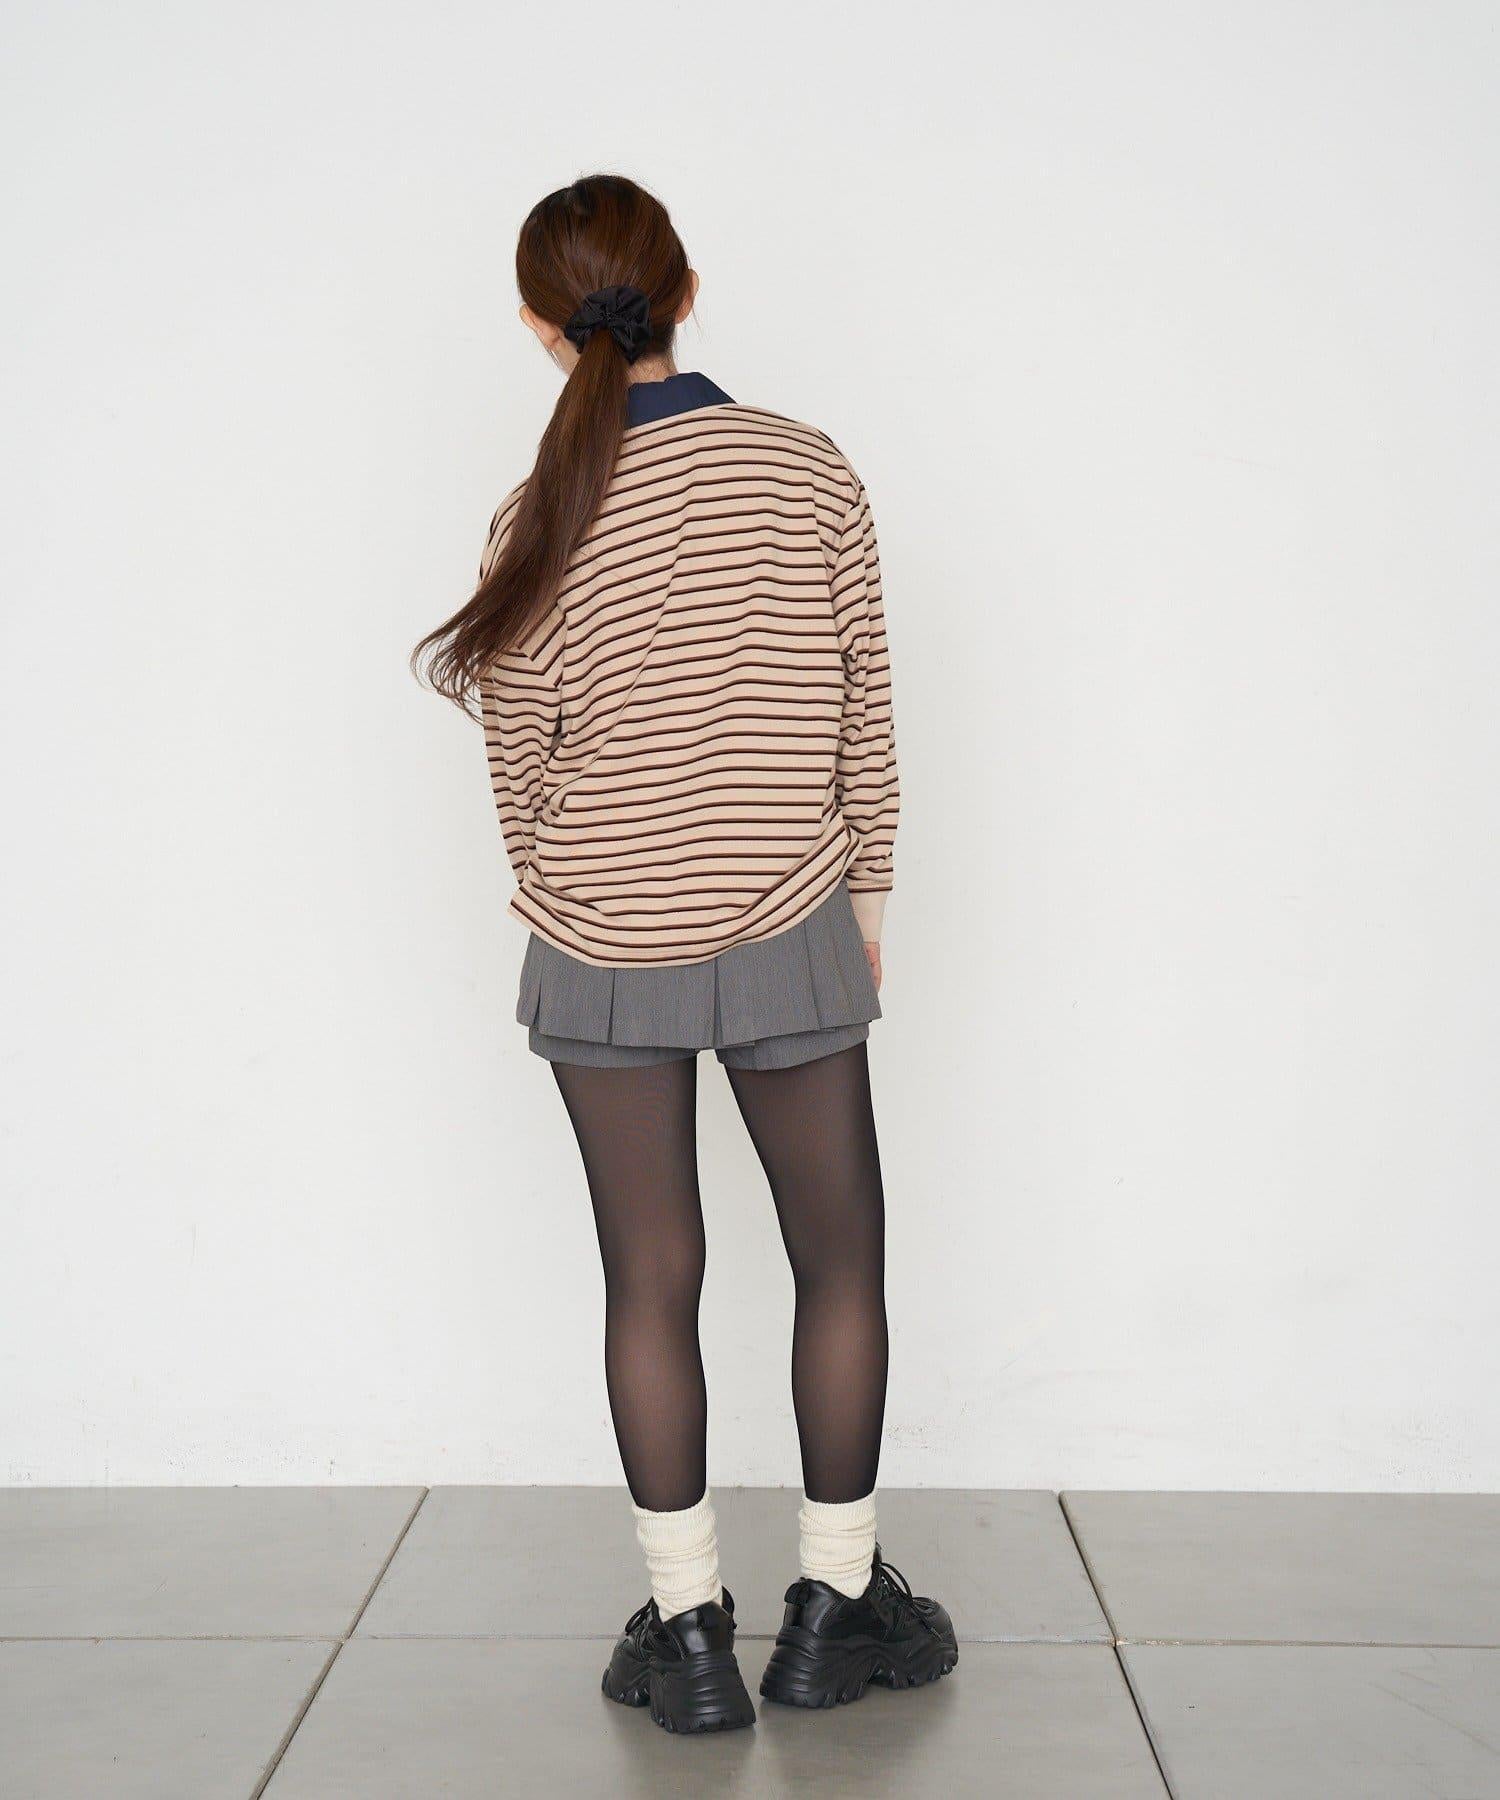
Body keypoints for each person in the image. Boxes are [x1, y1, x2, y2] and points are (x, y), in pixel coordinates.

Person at [414, 173, 956, 1735]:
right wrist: (863, 909)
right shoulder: (806, 468)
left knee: (648, 1278)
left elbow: (520, 765)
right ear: (689, 290)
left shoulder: (535, 515)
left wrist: (587, 895)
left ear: (541, 326)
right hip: (792, 918)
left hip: (598, 944)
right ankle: (834, 1610)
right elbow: (864, 709)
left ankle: (691, 1634)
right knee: (839, 1259)